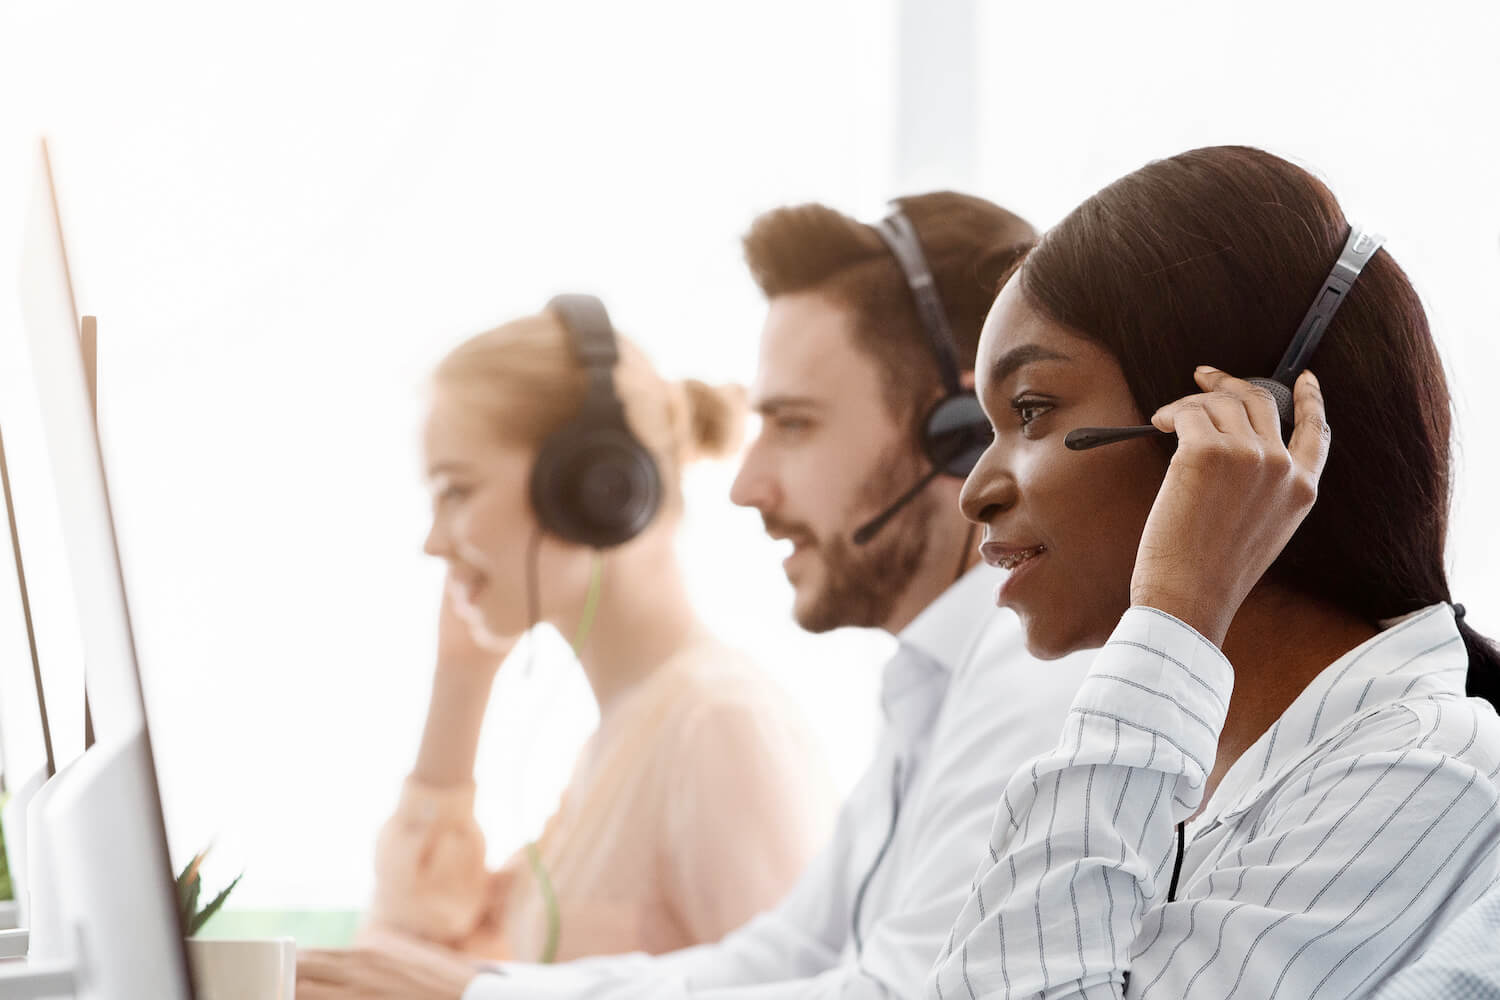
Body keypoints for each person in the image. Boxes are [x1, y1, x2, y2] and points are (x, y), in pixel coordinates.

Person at [298, 192, 1095, 1000]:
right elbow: (780, 958)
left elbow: (900, 995)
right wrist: (466, 986)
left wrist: (478, 997)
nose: (746, 485)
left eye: (793, 424)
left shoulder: (1031, 675)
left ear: (957, 430)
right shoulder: (929, 695)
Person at [927, 145, 1500, 999]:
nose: (974, 491)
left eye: (1033, 411)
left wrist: (1177, 613)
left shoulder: (1425, 766)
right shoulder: (1200, 784)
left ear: (1242, 428)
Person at [329, 299, 840, 974]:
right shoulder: (621, 737)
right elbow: (403, 965)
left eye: (456, 491)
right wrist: (460, 677)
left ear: (591, 487)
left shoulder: (714, 726)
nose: (431, 541)